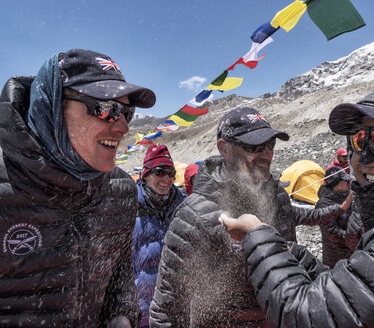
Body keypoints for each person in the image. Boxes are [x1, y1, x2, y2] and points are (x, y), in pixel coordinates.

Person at [220, 80, 374, 327]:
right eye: (357, 140)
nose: (360, 157)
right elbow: (351, 298)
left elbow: (306, 318)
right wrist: (288, 252)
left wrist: (257, 236)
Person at [149, 107, 351, 327]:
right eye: (255, 146)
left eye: (270, 144)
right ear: (224, 149)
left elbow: (291, 256)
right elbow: (167, 309)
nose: (267, 154)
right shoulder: (194, 215)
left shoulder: (278, 197)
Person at [0, 49, 156, 327]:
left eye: (127, 112)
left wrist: (122, 314)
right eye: (106, 108)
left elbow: (117, 271)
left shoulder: (121, 190)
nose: (122, 127)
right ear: (52, 107)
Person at [132, 144, 185, 328]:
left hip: (178, 305)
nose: (167, 179)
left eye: (171, 173)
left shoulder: (183, 208)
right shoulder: (128, 208)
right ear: (145, 175)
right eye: (160, 172)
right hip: (141, 307)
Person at [315, 166, 353, 267]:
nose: (347, 182)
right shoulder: (323, 205)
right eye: (344, 181)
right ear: (335, 184)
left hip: (352, 251)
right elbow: (331, 232)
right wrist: (353, 237)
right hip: (335, 256)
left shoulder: (348, 195)